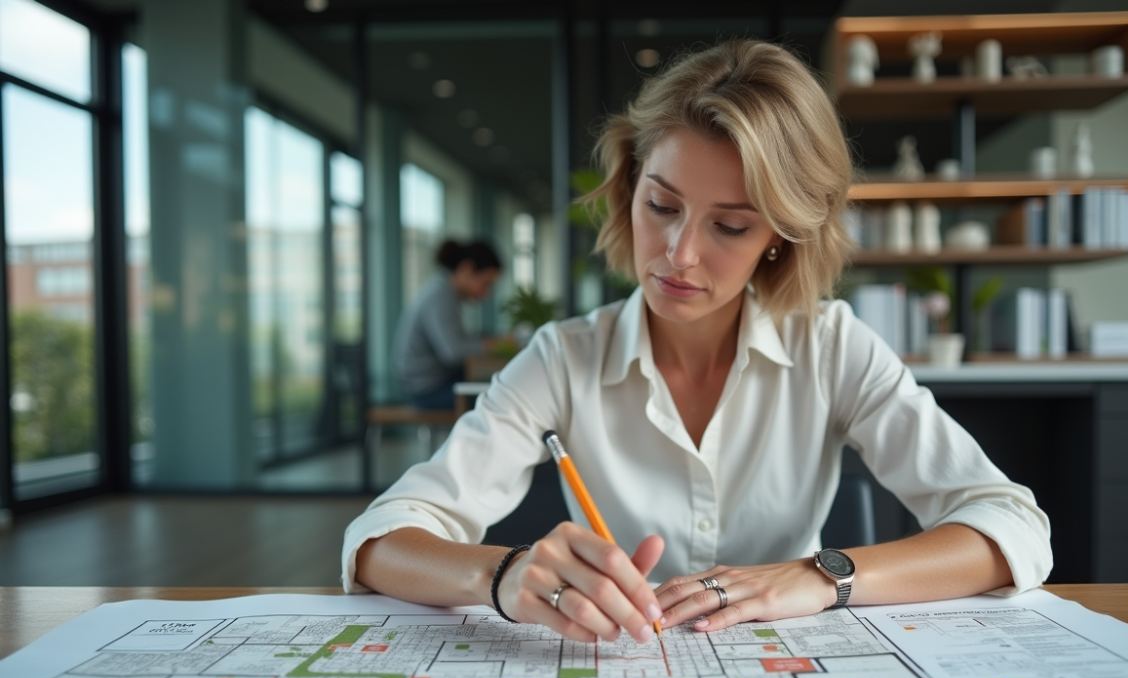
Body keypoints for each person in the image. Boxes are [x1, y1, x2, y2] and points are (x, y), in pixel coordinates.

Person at [345, 40, 1052, 646]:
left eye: (732, 226)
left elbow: (1011, 525)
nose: (679, 255)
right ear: (629, 189)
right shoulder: (564, 359)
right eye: (662, 205)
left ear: (780, 236)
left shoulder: (831, 346)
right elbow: (379, 540)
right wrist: (499, 575)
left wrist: (820, 577)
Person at [392, 239, 502, 410]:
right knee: (498, 398)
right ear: (467, 268)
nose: (486, 293)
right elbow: (453, 352)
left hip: (434, 381)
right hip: (426, 390)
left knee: (495, 387)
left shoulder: (444, 291)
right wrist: (491, 345)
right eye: (485, 283)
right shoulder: (440, 296)